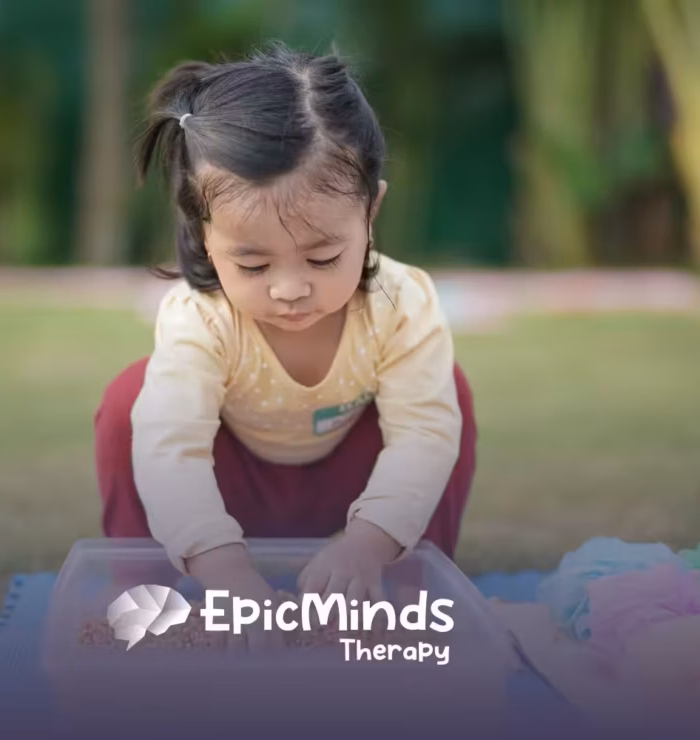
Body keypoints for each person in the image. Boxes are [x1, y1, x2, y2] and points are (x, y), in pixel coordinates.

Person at [93, 42, 477, 633]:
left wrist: (367, 543)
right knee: (130, 401)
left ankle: (407, 589)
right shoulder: (200, 315)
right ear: (204, 229)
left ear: (371, 211)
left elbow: (424, 435)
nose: (291, 289)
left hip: (352, 487)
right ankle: (146, 592)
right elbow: (171, 451)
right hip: (231, 487)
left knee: (449, 394)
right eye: (253, 266)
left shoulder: (403, 303)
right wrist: (226, 575)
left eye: (323, 258)